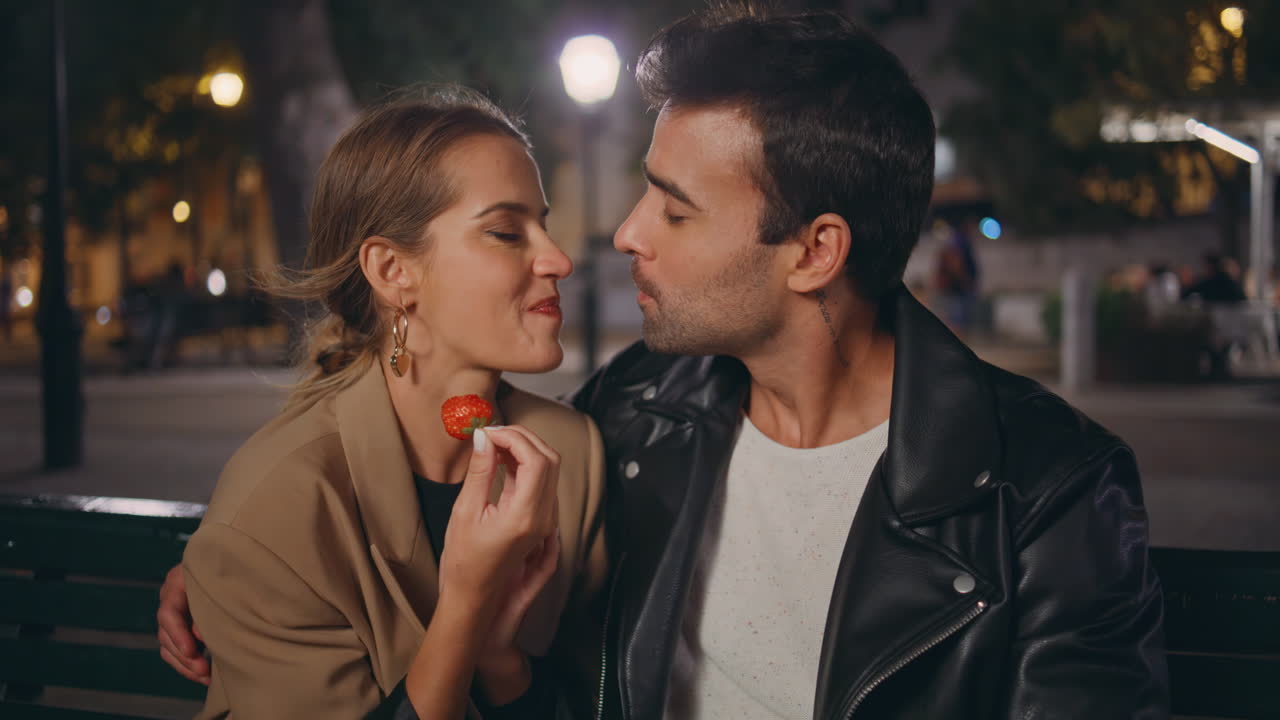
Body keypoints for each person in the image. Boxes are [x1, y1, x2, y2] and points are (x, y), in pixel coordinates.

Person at [162, 5, 1168, 719]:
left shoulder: (1047, 493)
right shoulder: (637, 415)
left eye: (676, 211)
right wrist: (231, 573)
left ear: (814, 252)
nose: (625, 234)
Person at [164, 90, 608, 718]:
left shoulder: (573, 453)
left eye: (543, 224)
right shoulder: (279, 504)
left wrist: (498, 658)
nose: (558, 259)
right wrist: (466, 606)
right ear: (393, 270)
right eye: (506, 232)